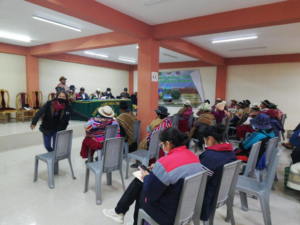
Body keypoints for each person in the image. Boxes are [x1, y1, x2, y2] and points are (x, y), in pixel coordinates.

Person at [103, 127, 203, 225]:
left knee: (141, 192)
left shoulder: (165, 162)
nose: (162, 148)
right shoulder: (194, 157)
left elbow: (150, 195)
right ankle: (120, 213)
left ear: (168, 144)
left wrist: (146, 176)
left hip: (167, 215)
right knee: (140, 183)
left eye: (162, 145)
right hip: (185, 210)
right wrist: (157, 169)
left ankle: (122, 213)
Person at [199, 125, 237, 221]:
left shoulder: (209, 157)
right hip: (222, 192)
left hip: (207, 198)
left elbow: (200, 181)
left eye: (205, 140)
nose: (205, 143)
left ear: (210, 139)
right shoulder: (230, 152)